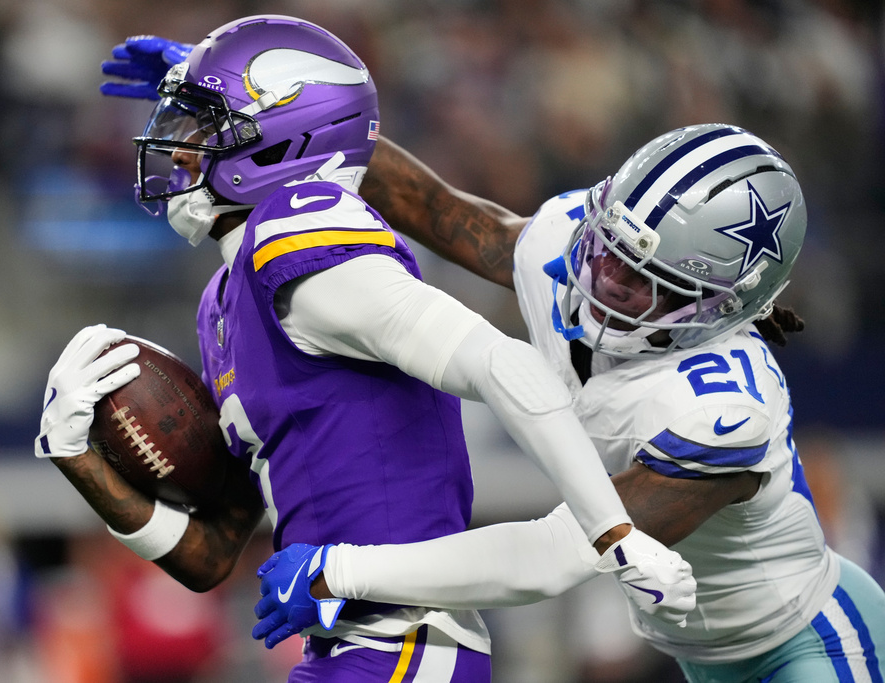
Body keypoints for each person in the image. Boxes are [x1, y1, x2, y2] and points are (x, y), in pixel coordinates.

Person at [36, 15, 694, 683]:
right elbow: (214, 550)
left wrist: (615, 531)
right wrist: (79, 459)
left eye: (206, 128)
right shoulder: (224, 299)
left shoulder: (299, 239)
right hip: (346, 651)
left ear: (280, 139)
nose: (179, 152)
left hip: (405, 645)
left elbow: (504, 361)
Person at [249, 125, 885, 682]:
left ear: (720, 308)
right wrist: (294, 119)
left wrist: (347, 573)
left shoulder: (720, 410)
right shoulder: (576, 241)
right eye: (608, 248)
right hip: (701, 652)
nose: (604, 279)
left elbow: (561, 551)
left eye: (644, 281)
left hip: (808, 642)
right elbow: (447, 212)